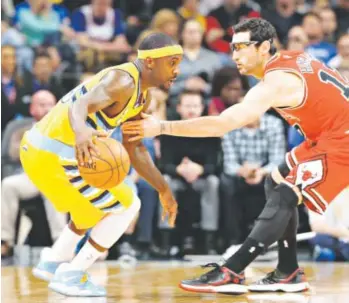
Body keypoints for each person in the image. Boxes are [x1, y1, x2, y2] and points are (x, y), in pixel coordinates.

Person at [122, 18, 349, 294]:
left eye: (241, 47)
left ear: (265, 47)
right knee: (275, 182)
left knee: (285, 195)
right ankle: (288, 272)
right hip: (326, 134)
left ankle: (232, 269)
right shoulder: (293, 57)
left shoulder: (274, 83)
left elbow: (221, 125)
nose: (234, 55)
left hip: (342, 139)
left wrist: (161, 126)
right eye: (232, 47)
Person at [19, 32, 180, 297]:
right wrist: (82, 132)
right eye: (172, 62)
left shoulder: (143, 97)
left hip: (41, 153)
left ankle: (53, 261)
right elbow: (79, 106)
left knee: (89, 210)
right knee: (129, 204)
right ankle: (72, 274)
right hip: (53, 154)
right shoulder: (123, 80)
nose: (176, 71)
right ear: (150, 62)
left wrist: (163, 189)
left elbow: (136, 148)